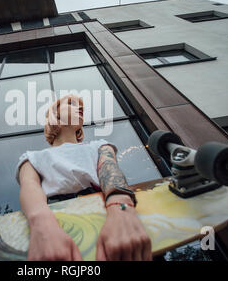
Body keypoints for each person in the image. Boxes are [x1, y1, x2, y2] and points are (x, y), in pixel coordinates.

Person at [15, 94, 152, 261]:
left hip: (110, 219)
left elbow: (110, 171)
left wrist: (121, 207)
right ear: (55, 114)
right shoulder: (31, 158)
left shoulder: (100, 146)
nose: (80, 108)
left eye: (81, 107)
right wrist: (42, 225)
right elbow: (29, 186)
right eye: (71, 104)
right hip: (55, 229)